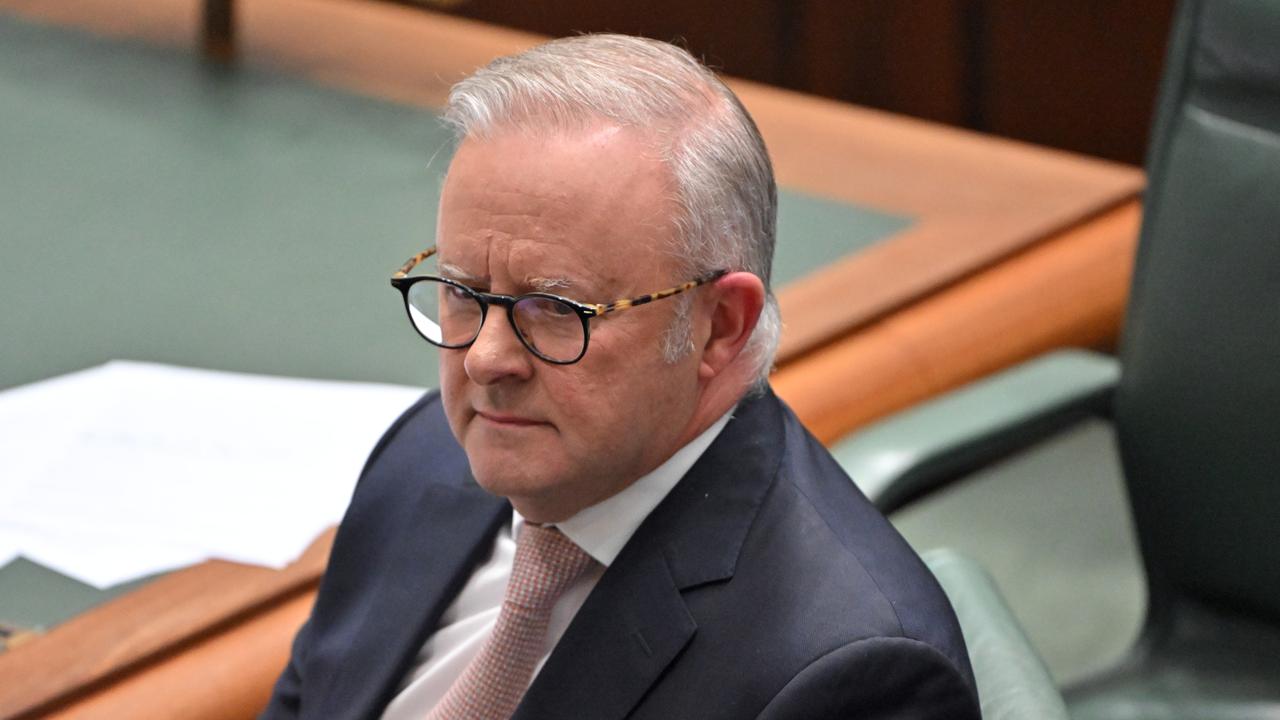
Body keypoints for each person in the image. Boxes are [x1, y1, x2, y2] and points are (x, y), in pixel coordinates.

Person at [263, 34, 979, 720]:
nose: (484, 360)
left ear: (719, 325)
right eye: (461, 291)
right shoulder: (422, 459)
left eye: (553, 308)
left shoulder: (847, 676)